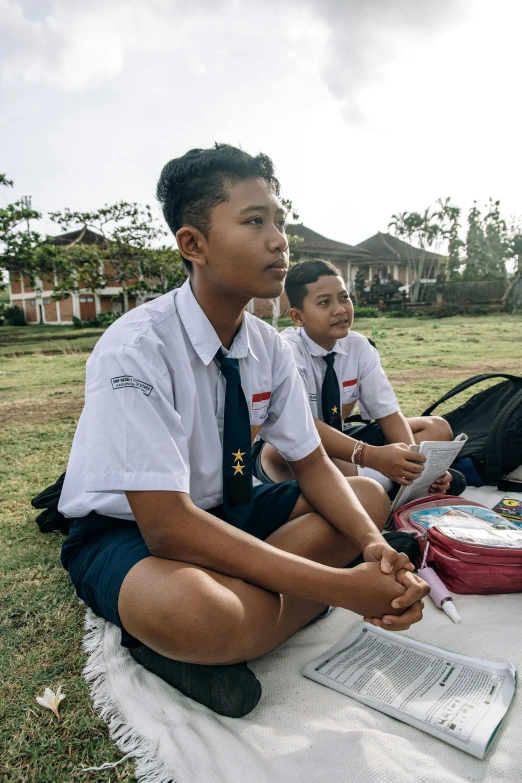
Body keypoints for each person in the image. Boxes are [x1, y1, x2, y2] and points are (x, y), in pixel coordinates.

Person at [57, 145, 429, 719]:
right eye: (255, 221)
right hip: (127, 532)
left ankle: (235, 627)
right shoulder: (136, 349)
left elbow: (309, 463)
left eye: (278, 221)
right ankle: (200, 633)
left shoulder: (265, 346)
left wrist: (373, 546)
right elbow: (166, 528)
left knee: (366, 497)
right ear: (193, 245)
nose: (279, 238)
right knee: (198, 613)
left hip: (229, 510)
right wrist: (344, 589)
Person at [253, 259, 460, 494]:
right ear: (298, 317)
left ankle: (393, 480)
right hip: (297, 448)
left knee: (437, 428)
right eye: (324, 302)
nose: (340, 309)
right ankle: (385, 484)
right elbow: (299, 425)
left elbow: (388, 413)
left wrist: (413, 458)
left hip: (340, 440)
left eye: (344, 297)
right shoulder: (287, 350)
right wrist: (370, 456)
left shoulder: (359, 347)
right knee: (281, 450)